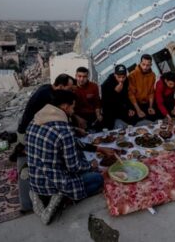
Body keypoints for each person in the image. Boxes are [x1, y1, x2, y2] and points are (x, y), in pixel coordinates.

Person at [26, 90, 115, 224]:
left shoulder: (36, 120)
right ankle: (63, 198)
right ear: (65, 107)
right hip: (55, 182)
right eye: (73, 107)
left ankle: (37, 194)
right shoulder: (64, 131)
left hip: (35, 178)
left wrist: (98, 148)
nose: (73, 110)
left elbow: (65, 139)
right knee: (97, 179)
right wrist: (91, 165)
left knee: (79, 158)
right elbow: (74, 167)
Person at [17, 74, 75, 145]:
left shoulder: (47, 87)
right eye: (69, 89)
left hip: (31, 129)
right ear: (60, 86)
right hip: (27, 134)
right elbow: (60, 124)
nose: (71, 92)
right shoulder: (49, 97)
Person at [101, 64, 136, 129]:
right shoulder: (106, 85)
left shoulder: (126, 81)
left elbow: (126, 97)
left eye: (123, 77)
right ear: (115, 75)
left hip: (121, 107)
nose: (121, 80)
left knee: (133, 118)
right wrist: (115, 92)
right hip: (110, 110)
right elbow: (105, 104)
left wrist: (130, 108)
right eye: (119, 77)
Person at [128, 54, 157, 122]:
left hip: (147, 103)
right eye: (143, 64)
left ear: (151, 65)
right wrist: (138, 110)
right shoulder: (132, 75)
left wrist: (150, 106)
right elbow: (131, 94)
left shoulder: (153, 75)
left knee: (154, 118)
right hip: (136, 104)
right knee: (140, 122)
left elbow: (151, 92)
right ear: (140, 63)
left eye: (148, 65)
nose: (145, 67)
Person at [74, 67, 103, 131]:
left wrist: (98, 115)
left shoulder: (94, 86)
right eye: (79, 76)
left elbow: (97, 103)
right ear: (75, 76)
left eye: (84, 77)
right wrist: (78, 118)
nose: (81, 79)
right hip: (77, 115)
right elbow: (69, 108)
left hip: (92, 114)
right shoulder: (72, 88)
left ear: (88, 77)